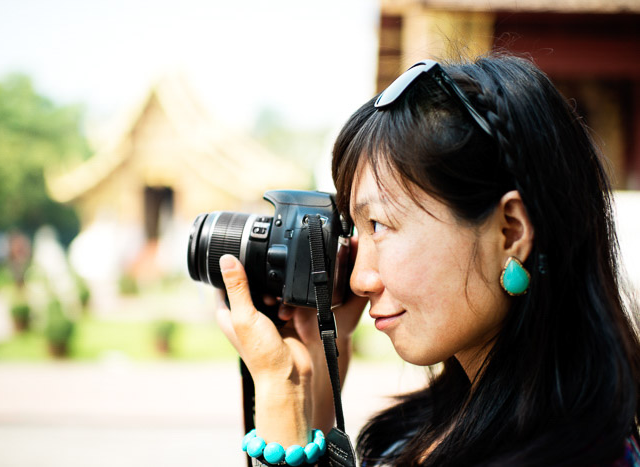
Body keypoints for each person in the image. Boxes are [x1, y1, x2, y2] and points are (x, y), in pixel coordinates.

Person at [216, 54, 640, 466]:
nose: (360, 279)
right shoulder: (442, 426)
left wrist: (281, 391)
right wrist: (323, 360)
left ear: (509, 232)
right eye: (356, 231)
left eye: (379, 224)